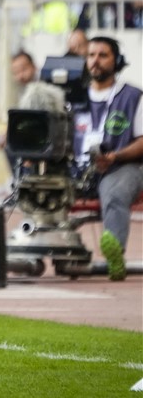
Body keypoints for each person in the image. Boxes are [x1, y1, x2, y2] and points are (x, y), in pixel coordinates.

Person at [72, 36, 143, 281]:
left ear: (117, 61)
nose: (96, 61)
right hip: (78, 169)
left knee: (114, 193)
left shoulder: (133, 96)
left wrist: (115, 156)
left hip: (122, 166)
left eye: (103, 55)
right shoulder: (74, 97)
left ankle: (114, 253)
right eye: (91, 55)